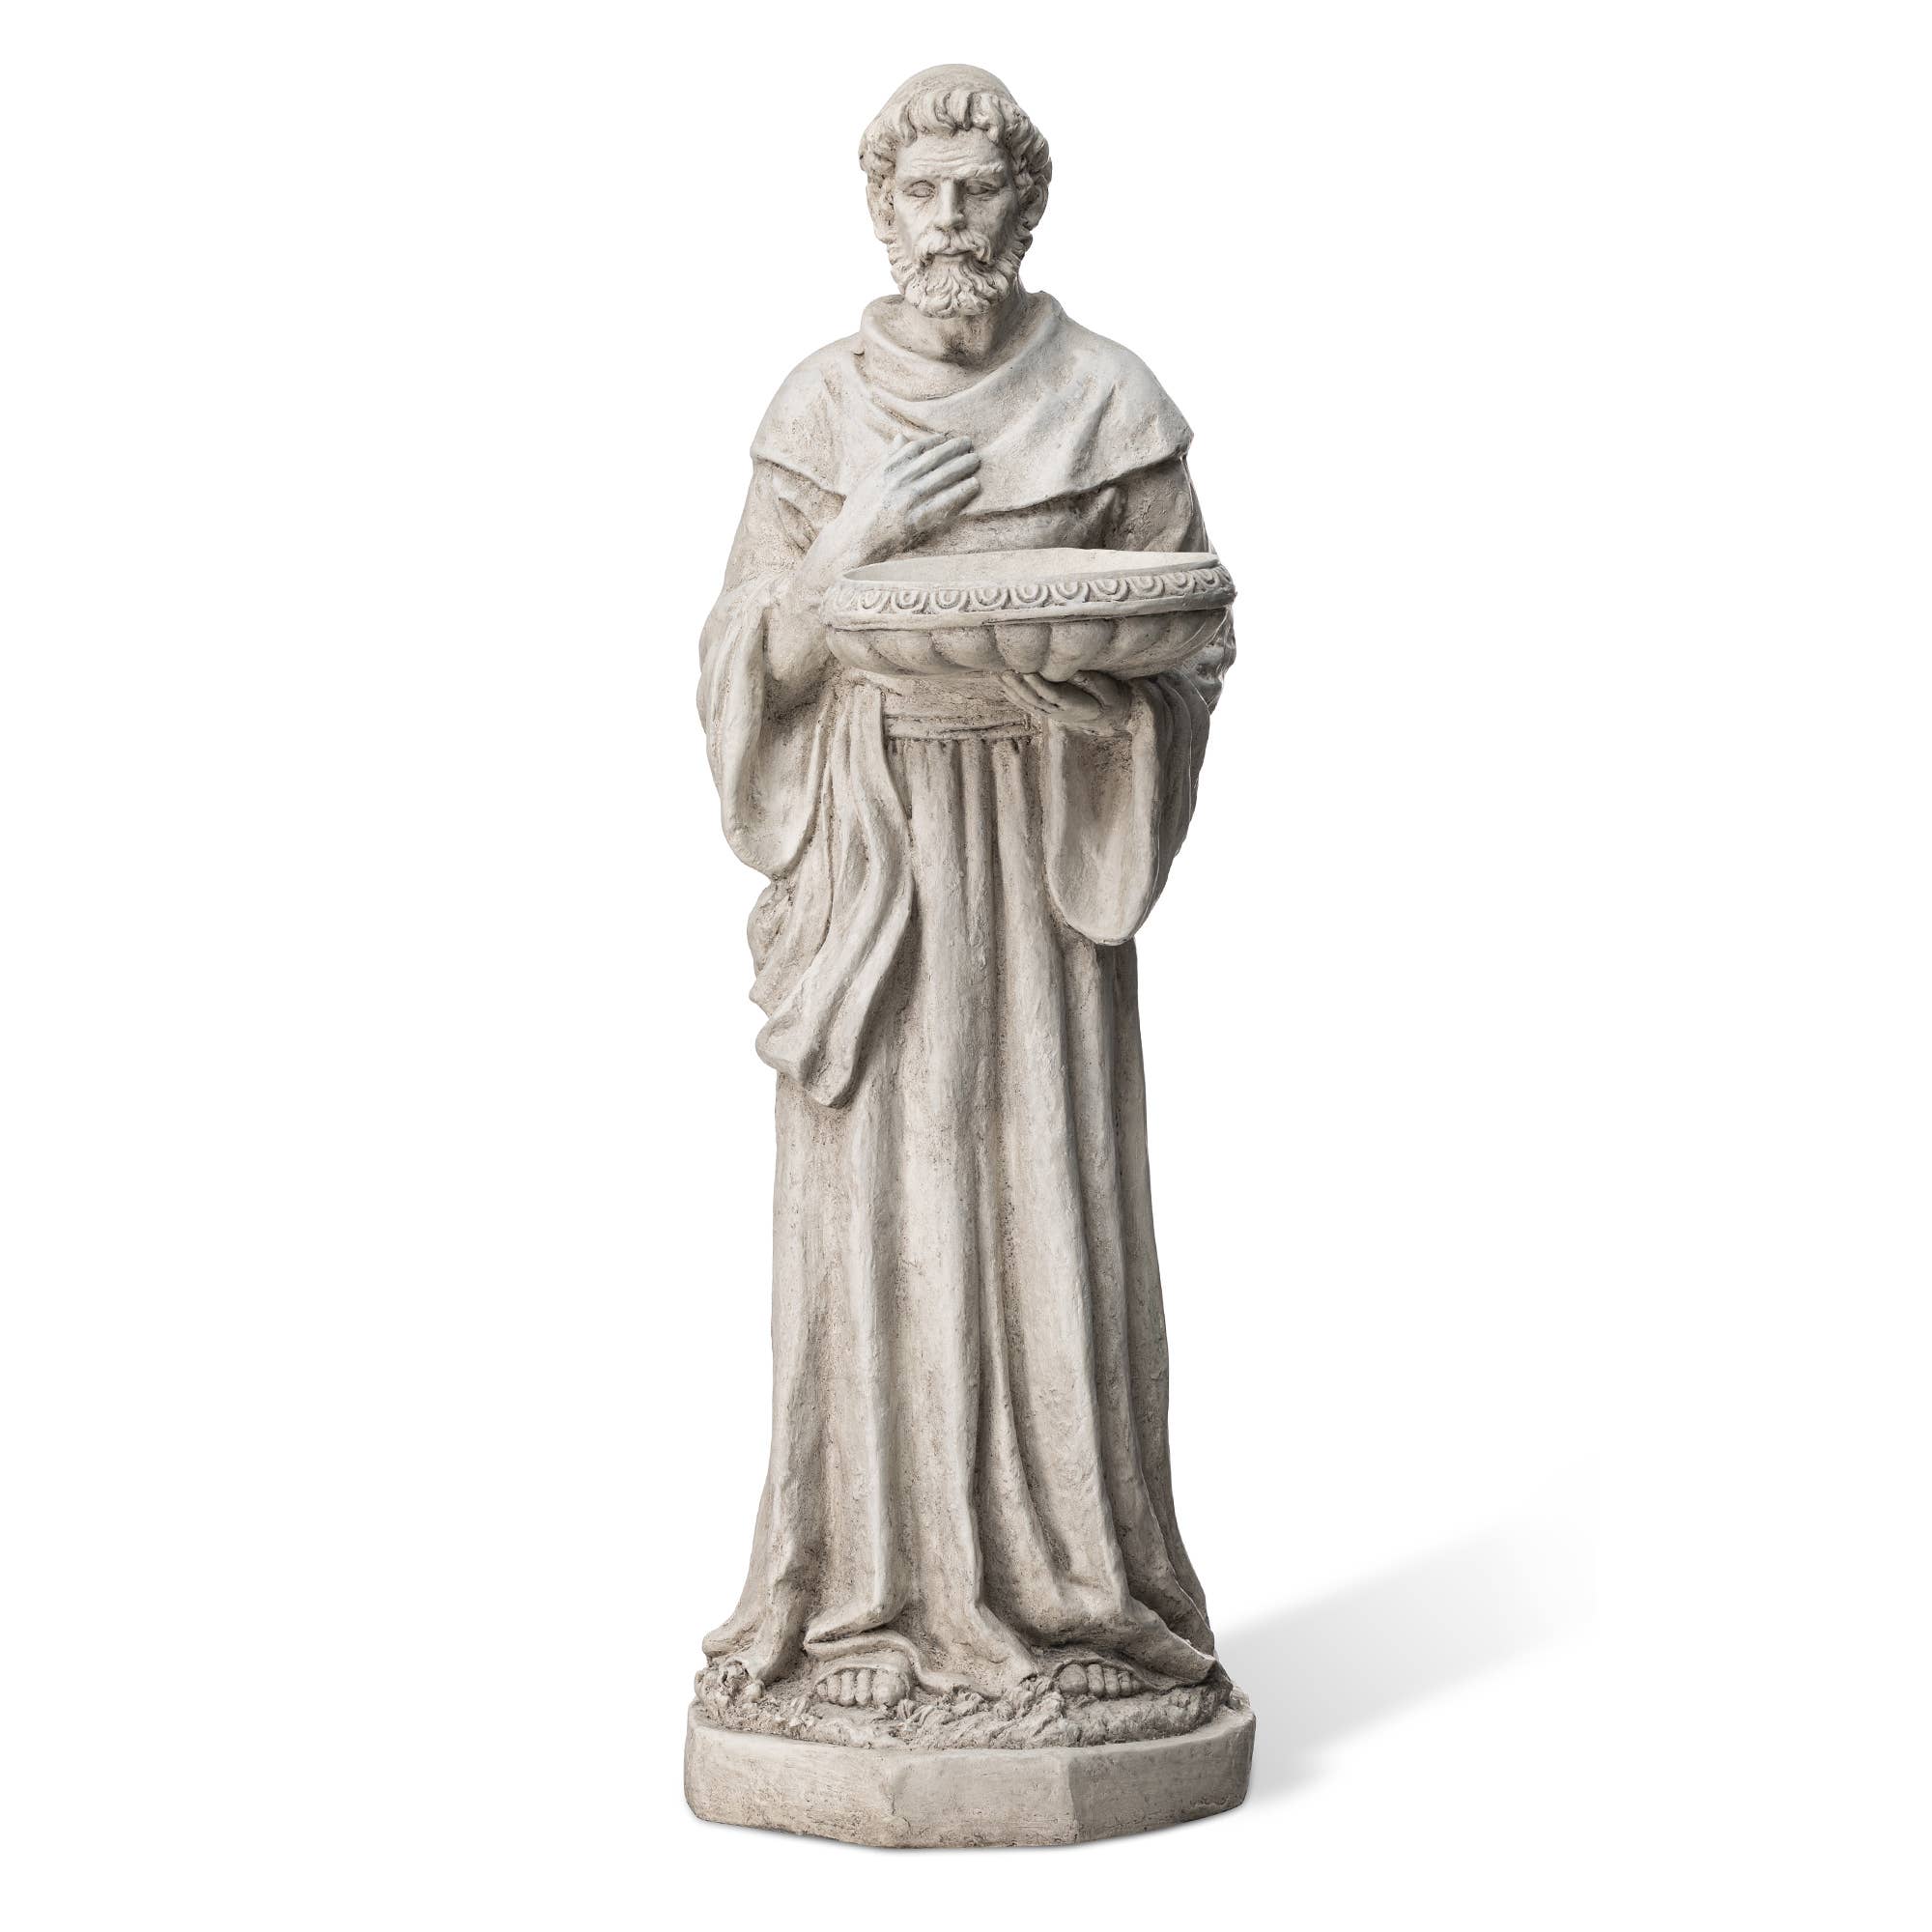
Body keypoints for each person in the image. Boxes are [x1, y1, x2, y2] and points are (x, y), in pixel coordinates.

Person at [696, 65, 1236, 1717]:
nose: (948, 222)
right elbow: (740, 663)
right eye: (920, 193)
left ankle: (1072, 1602)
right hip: (877, 859)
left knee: (1039, 1193)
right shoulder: (819, 412)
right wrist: (846, 541)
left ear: (1025, 207)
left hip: (1042, 843)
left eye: (976, 193)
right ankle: (866, 1602)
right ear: (882, 209)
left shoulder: (1107, 400)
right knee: (880, 1217)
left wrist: (1103, 713)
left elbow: (1191, 630)